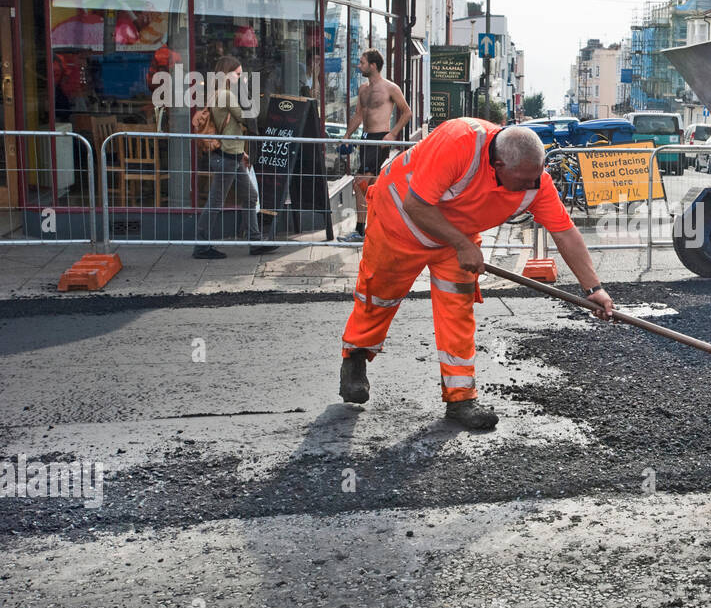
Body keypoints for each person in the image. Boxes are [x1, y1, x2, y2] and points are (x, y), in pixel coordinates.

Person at [339, 118, 616, 430]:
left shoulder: (536, 182)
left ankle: (461, 400)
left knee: (458, 310)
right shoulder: (458, 143)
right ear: (497, 165)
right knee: (379, 296)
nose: (532, 186)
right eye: (523, 180)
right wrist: (461, 243)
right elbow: (415, 204)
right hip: (400, 222)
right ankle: (355, 358)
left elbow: (565, 232)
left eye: (535, 178)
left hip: (455, 236)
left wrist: (593, 289)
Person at [193, 56, 279, 260]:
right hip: (227, 157)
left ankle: (254, 241)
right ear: (226, 74)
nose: (242, 78)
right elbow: (248, 117)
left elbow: (230, 126)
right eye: (238, 74)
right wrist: (249, 92)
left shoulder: (218, 93)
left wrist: (242, 152)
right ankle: (201, 246)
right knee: (215, 202)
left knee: (249, 196)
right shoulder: (227, 95)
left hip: (232, 154)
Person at [341, 48, 412, 242]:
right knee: (371, 187)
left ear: (373, 65)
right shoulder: (363, 89)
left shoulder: (390, 88)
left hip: (380, 139)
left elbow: (407, 112)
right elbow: (359, 115)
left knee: (359, 183)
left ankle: (359, 230)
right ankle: (376, 230)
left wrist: (392, 134)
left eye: (362, 62)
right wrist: (348, 134)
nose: (359, 65)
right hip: (365, 138)